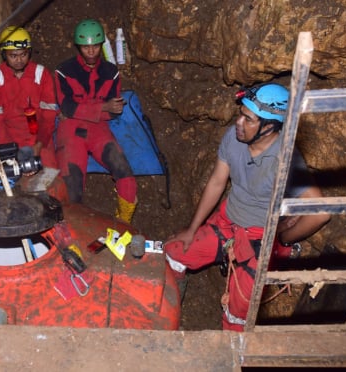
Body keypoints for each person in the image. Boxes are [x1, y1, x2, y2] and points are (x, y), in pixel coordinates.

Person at [163, 82, 330, 331]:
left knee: (239, 309)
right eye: (241, 113)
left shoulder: (284, 160)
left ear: (270, 127)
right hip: (228, 221)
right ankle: (169, 312)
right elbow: (217, 182)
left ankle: (232, 356)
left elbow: (321, 212)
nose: (239, 122)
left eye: (248, 119)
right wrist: (191, 228)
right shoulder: (234, 137)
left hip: (258, 238)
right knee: (174, 251)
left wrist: (282, 239)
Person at [54, 19, 137, 224]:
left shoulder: (111, 72)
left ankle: (123, 224)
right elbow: (66, 107)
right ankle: (75, 232)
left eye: (95, 46)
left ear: (101, 45)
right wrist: (102, 108)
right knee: (72, 189)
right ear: (78, 47)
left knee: (126, 176)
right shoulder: (63, 71)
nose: (90, 51)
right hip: (71, 131)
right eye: (85, 47)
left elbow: (115, 111)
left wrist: (88, 111)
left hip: (98, 129)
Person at [0, 26, 58, 170]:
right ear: (4, 54)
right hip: (7, 134)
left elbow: (49, 115)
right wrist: (9, 148)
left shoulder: (41, 74)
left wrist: (40, 142)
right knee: (8, 176)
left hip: (37, 135)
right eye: (13, 55)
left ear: (29, 52)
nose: (19, 60)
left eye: (23, 54)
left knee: (50, 176)